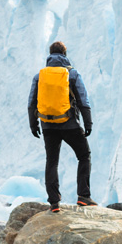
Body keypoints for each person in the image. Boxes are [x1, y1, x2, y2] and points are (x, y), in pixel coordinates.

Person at [28, 40, 95, 212]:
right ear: (64, 54)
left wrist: (33, 124)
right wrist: (88, 122)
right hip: (69, 124)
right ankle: (83, 196)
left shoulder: (40, 76)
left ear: (50, 55)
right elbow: (82, 99)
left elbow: (32, 102)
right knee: (84, 156)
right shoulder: (72, 74)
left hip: (48, 126)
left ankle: (54, 202)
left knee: (51, 161)